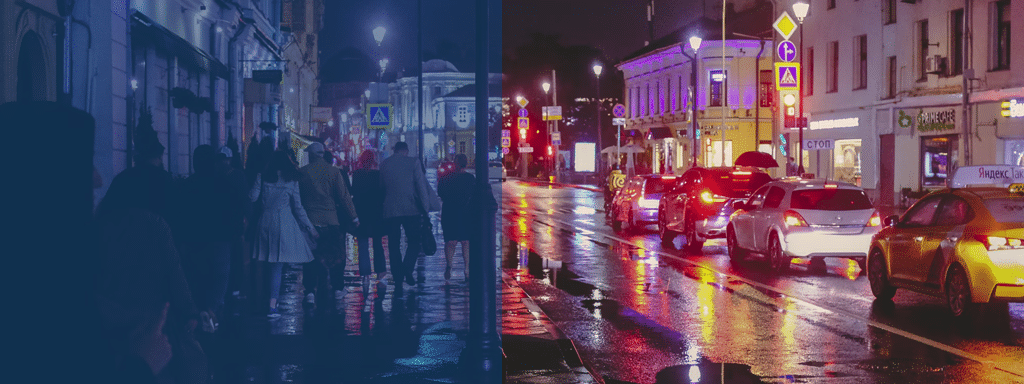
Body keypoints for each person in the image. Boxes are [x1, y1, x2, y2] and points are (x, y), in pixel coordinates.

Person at [96, 129, 207, 384]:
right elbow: (175, 269)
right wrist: (190, 310)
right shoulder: (160, 208)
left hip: (112, 306)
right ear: (158, 155)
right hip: (155, 305)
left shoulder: (118, 191)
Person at [178, 145, 247, 333]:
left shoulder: (187, 185)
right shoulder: (224, 183)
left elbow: (180, 213)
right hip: (220, 238)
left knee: (196, 275)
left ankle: (199, 311)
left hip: (194, 238)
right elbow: (234, 210)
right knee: (219, 278)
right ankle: (213, 312)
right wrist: (236, 232)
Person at [249, 150, 319, 316]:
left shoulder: (262, 176)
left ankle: (263, 299)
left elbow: (252, 197)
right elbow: (298, 208)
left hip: (265, 221)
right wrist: (310, 228)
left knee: (265, 262)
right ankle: (272, 305)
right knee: (277, 265)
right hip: (284, 223)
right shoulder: (291, 180)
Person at [299, 142, 358, 306]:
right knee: (336, 254)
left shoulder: (302, 173)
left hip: (311, 221)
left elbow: (298, 198)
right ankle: (338, 288)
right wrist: (354, 217)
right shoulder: (334, 172)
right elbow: (344, 197)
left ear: (311, 155)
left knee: (310, 257)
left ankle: (310, 291)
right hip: (331, 220)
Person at [379, 141, 431, 288]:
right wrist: (425, 209)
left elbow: (381, 187)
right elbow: (421, 187)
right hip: (411, 209)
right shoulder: (414, 162)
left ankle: (397, 276)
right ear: (406, 151)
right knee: (414, 241)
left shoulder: (384, 164)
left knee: (393, 244)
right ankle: (407, 268)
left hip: (390, 210)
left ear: (395, 150)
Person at [351, 150, 389, 286]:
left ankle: (365, 273)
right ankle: (380, 271)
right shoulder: (378, 175)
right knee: (377, 243)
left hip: (361, 212)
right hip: (376, 212)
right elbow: (383, 193)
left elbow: (354, 192)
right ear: (373, 160)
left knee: (362, 243)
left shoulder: (357, 174)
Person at [437, 154, 475, 281]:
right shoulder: (470, 178)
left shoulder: (446, 178)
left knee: (450, 242)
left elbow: (440, 192)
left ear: (455, 163)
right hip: (466, 213)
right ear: (466, 164)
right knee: (466, 242)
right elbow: (474, 194)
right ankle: (467, 269)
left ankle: (449, 265)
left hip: (450, 212)